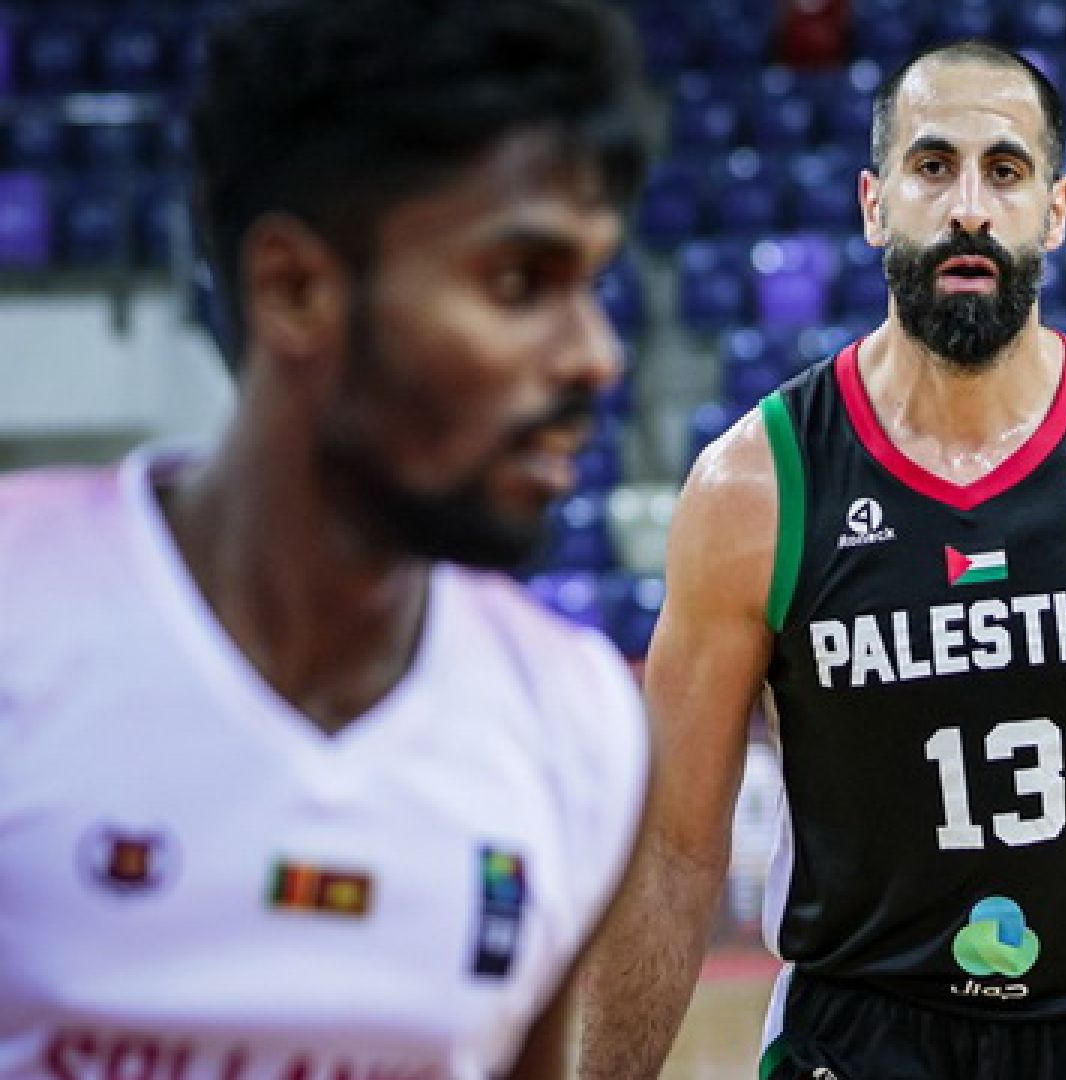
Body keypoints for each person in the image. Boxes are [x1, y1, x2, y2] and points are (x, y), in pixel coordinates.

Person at [583, 39, 1066, 1080]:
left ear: (1056, 211)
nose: (970, 208)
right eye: (933, 166)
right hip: (864, 1032)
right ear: (874, 203)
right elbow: (674, 850)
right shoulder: (753, 487)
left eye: (1007, 170)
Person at [0, 2, 650, 1076]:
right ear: (294, 288)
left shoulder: (576, 726)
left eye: (591, 284)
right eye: (517, 283)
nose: (595, 355)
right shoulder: (22, 619)